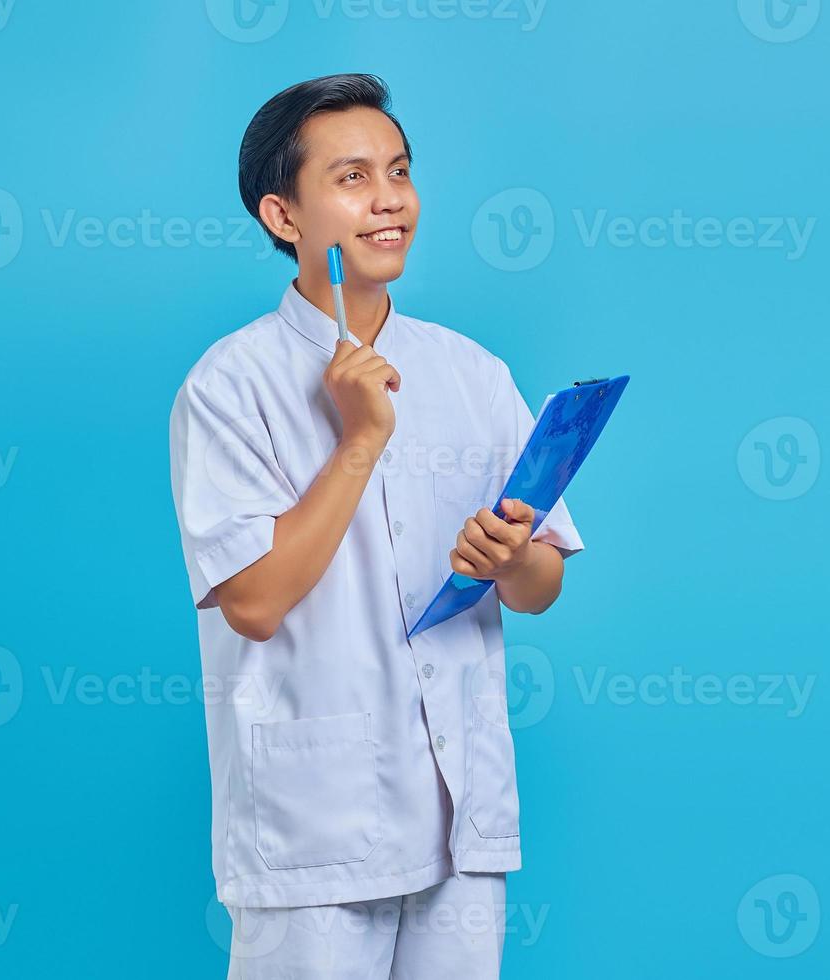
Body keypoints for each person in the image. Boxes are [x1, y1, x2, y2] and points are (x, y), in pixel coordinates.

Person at [168, 73, 583, 979]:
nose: (389, 199)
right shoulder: (230, 386)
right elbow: (254, 601)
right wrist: (359, 440)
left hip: (459, 809)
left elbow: (543, 584)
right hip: (314, 819)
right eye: (352, 178)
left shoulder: (473, 371)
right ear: (284, 217)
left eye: (398, 171)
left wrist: (512, 561)